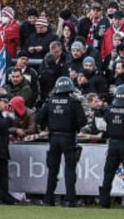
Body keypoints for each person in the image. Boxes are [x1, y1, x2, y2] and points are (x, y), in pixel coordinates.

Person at [35, 77, 87, 207]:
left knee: (52, 169)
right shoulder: (74, 102)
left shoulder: (50, 102)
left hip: (54, 137)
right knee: (69, 169)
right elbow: (83, 121)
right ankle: (70, 199)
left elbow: (39, 117)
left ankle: (48, 198)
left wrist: (46, 125)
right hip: (69, 137)